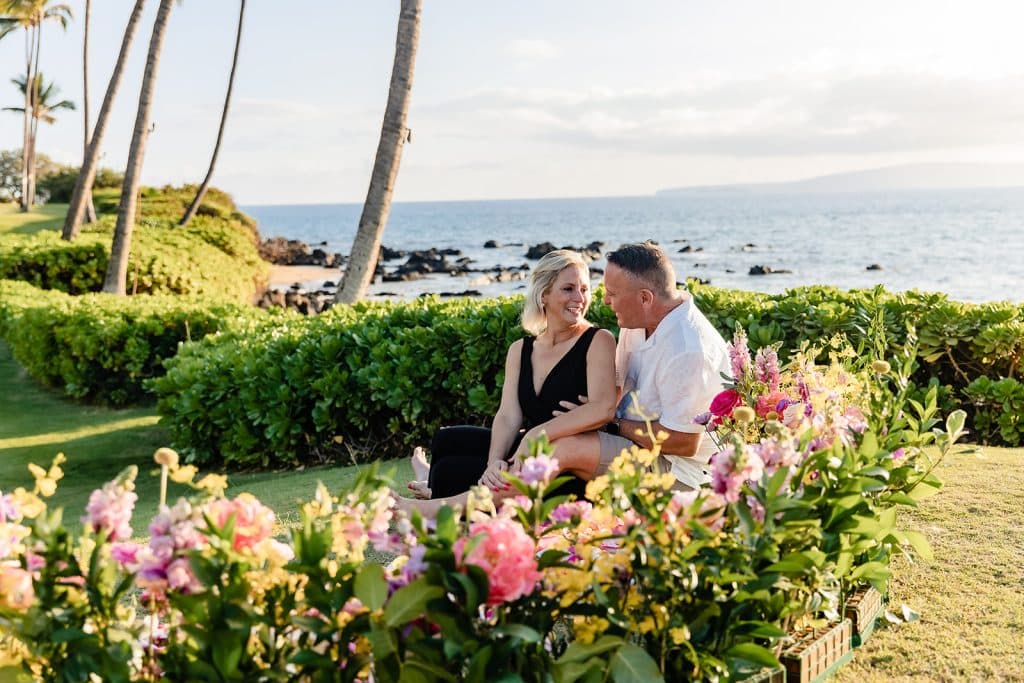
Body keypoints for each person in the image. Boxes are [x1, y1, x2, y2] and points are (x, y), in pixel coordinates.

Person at [398, 249, 618, 515]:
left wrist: (537, 435)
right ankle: (436, 485)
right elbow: (508, 415)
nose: (580, 298)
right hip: (524, 450)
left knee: (450, 470)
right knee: (447, 440)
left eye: (584, 289)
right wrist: (494, 462)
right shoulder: (521, 349)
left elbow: (601, 408)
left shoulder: (598, 340)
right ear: (543, 294)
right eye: (568, 289)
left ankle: (434, 495)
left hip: (561, 464)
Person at [548, 241, 731, 491]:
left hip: (678, 470)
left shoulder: (688, 348)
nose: (605, 301)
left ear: (645, 298)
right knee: (550, 438)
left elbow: (684, 442)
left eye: (612, 294)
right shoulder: (636, 323)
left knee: (563, 450)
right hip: (636, 442)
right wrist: (587, 416)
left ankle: (485, 518)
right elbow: (617, 391)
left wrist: (611, 424)